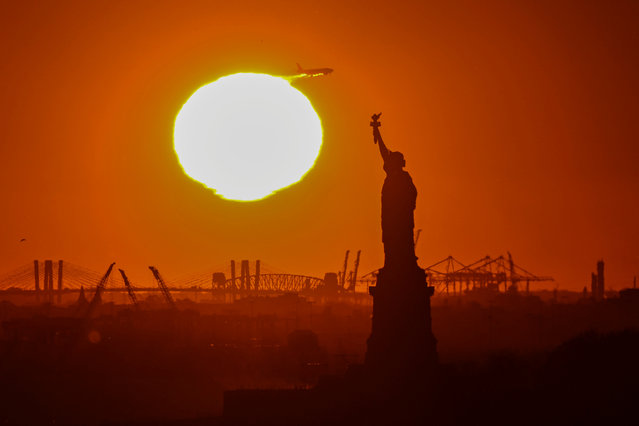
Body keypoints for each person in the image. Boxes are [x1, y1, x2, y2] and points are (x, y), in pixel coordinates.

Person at [371, 114, 418, 270]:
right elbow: (383, 150)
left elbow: (413, 195)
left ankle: (405, 262)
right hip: (391, 217)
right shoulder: (392, 176)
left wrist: (406, 205)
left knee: (404, 240)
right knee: (390, 240)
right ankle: (391, 262)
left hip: (402, 218)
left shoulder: (405, 178)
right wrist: (377, 131)